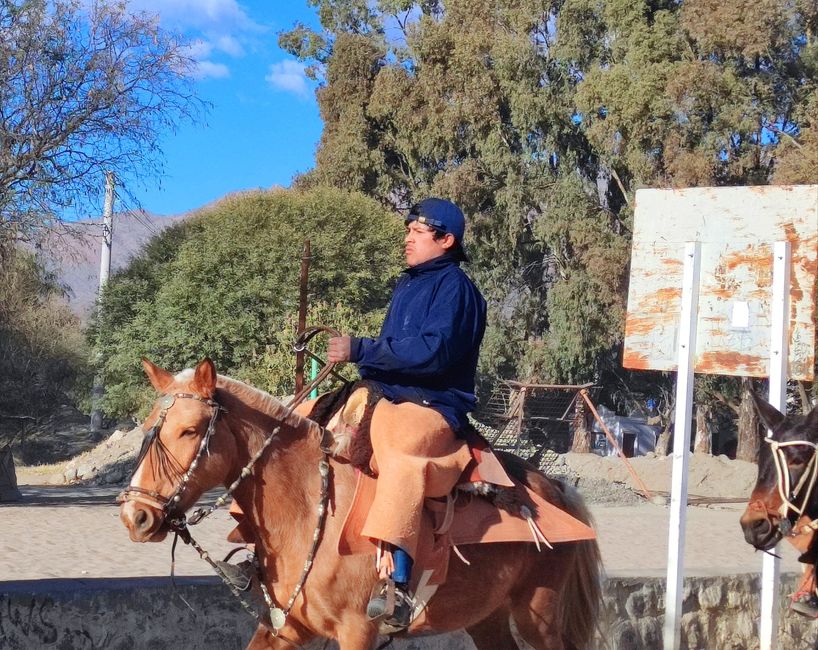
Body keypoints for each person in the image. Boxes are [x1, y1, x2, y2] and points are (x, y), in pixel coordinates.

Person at [327, 197, 486, 628]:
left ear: (446, 239)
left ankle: (397, 584)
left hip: (433, 404)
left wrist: (361, 348)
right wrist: (364, 363)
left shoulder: (456, 289)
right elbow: (393, 354)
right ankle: (260, 548)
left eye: (417, 232)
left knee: (397, 449)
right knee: (305, 421)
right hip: (392, 394)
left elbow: (430, 354)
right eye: (409, 231)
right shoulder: (409, 283)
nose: (407, 239)